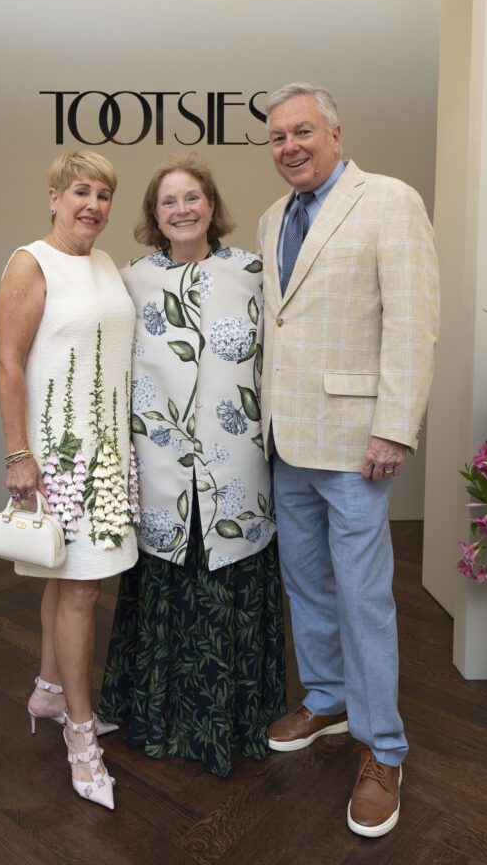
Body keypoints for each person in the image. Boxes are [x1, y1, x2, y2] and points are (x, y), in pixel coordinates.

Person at [257, 83, 439, 837]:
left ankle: (382, 748)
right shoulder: (273, 217)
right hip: (285, 440)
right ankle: (327, 699)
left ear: (334, 133)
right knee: (304, 584)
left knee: (363, 597)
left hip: (356, 444)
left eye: (302, 131)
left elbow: (413, 319)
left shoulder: (389, 200)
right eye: (276, 137)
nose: (289, 146)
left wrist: (393, 428)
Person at [100, 153, 286, 777]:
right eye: (168, 201)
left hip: (237, 470)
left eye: (192, 198)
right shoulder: (130, 281)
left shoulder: (256, 274)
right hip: (161, 470)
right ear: (154, 215)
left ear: (212, 205)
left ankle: (240, 717)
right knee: (165, 579)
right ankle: (157, 718)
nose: (182, 209)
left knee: (231, 572)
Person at [0, 151, 138, 811]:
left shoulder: (105, 263)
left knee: (70, 579)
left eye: (104, 195)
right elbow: (7, 362)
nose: (93, 205)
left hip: (109, 450)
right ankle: (81, 739)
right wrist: (17, 453)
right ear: (53, 196)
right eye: (81, 191)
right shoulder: (31, 261)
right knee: (81, 589)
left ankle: (50, 690)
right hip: (60, 454)